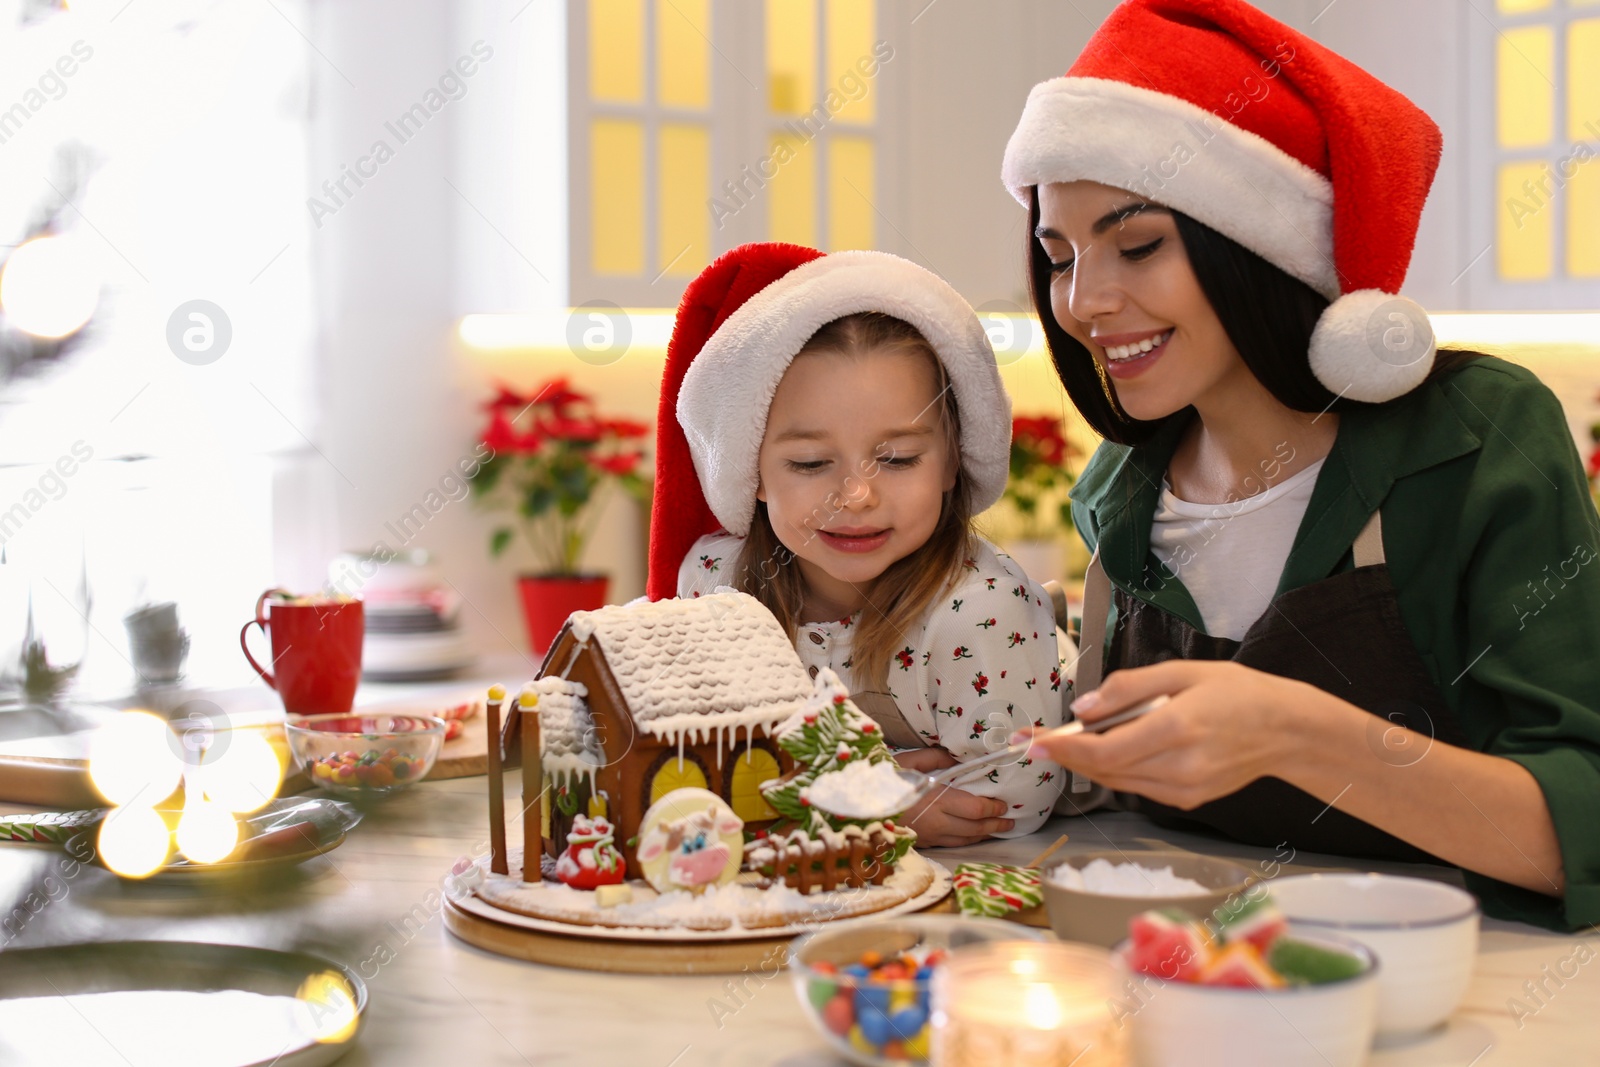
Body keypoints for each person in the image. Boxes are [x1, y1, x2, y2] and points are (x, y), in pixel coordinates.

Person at [1004, 0, 1600, 931]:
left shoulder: (1475, 436)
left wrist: (1293, 732)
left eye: (1139, 244)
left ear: (1256, 241)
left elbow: (1585, 821)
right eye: (1058, 255)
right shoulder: (1117, 497)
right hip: (1182, 981)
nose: (1084, 300)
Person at [646, 242, 1067, 847]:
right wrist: (865, 799)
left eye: (896, 458)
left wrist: (774, 791)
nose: (856, 495)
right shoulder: (714, 584)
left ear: (952, 461)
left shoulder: (980, 610)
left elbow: (1016, 794)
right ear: (753, 474)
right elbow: (677, 754)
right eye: (812, 462)